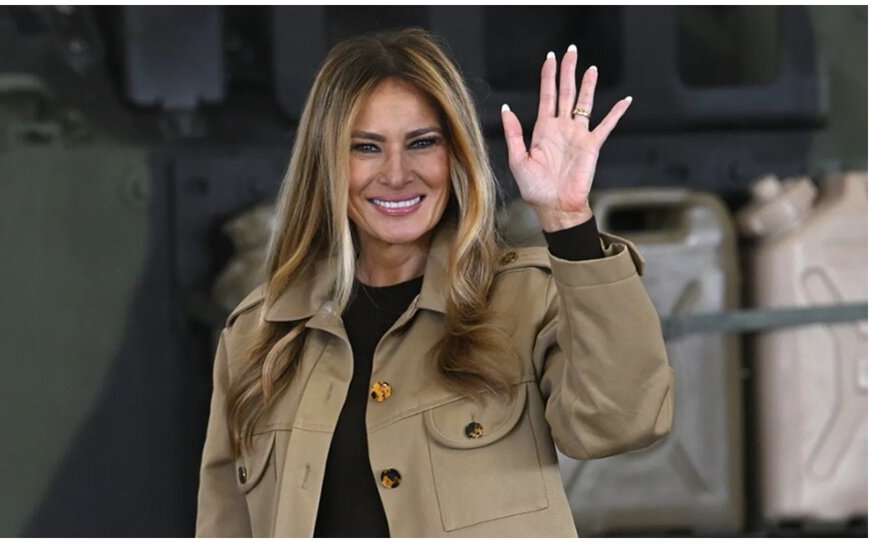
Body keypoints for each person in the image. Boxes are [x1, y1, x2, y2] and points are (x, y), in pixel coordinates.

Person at [196, 27, 674, 538]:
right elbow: (223, 524)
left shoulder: (526, 298)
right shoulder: (258, 334)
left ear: (456, 155)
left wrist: (568, 220)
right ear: (326, 162)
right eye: (366, 147)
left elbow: (620, 422)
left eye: (422, 143)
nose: (396, 174)